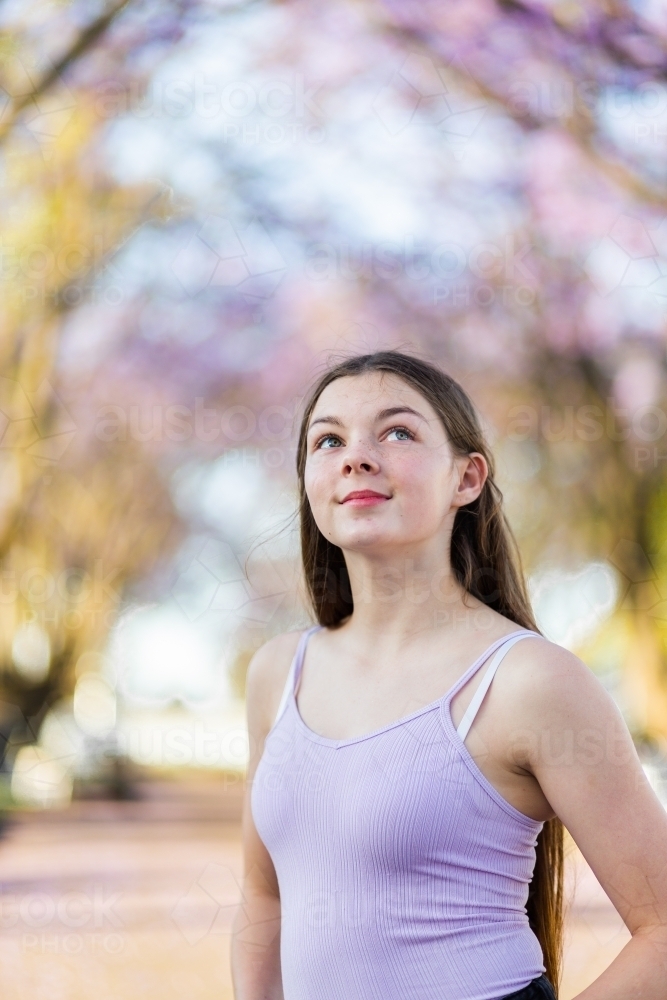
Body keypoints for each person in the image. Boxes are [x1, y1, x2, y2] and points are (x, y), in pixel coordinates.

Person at [231, 350, 667, 1000]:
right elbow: (264, 899)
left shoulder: (527, 681)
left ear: (466, 478)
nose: (356, 456)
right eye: (328, 439)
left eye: (397, 431)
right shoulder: (277, 673)